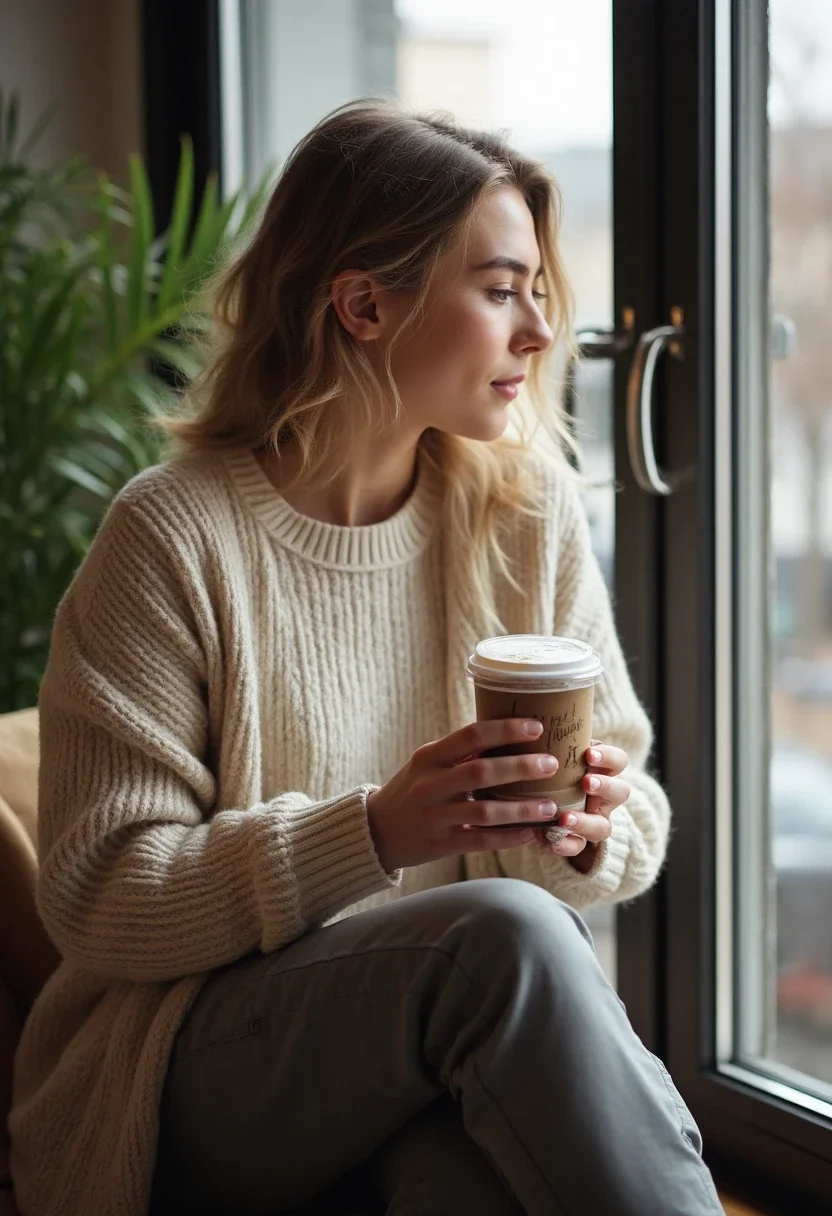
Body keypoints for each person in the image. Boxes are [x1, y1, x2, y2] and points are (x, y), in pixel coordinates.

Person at [9, 99, 723, 1215]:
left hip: (432, 1055)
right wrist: (377, 832)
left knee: (470, 1185)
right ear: (361, 304)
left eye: (537, 292)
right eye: (500, 291)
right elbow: (98, 897)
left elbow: (627, 823)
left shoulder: (523, 511)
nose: (539, 333)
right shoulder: (173, 535)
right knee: (505, 937)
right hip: (184, 1072)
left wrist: (577, 828)